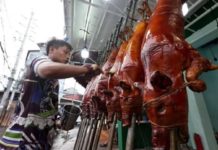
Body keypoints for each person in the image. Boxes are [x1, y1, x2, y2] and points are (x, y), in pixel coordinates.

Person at [0, 39, 100, 150]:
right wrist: (85, 68)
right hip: (24, 135)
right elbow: (45, 70)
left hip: (40, 137)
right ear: (52, 49)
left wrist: (54, 121)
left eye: (70, 55)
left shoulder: (55, 78)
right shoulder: (39, 60)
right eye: (65, 52)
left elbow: (46, 106)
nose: (68, 57)